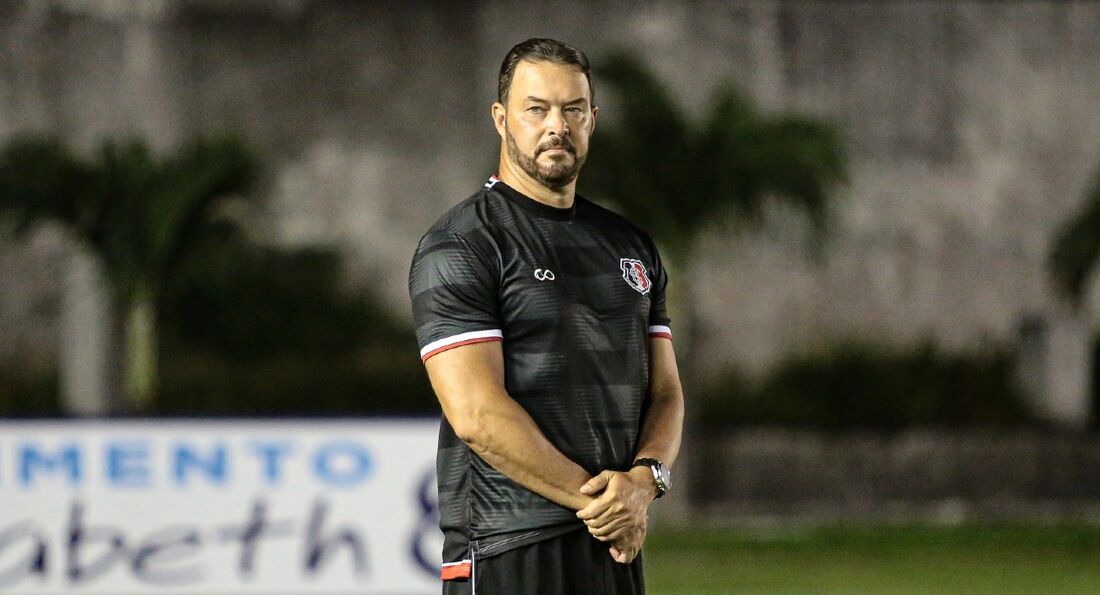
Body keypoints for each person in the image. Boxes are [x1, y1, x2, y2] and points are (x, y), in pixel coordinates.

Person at [408, 37, 684, 595]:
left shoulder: (629, 245)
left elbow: (666, 393)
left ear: (592, 120)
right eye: (536, 109)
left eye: (573, 109)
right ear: (501, 119)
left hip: (610, 545)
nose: (556, 125)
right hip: (507, 546)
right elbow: (477, 416)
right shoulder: (462, 244)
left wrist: (645, 481)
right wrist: (608, 504)